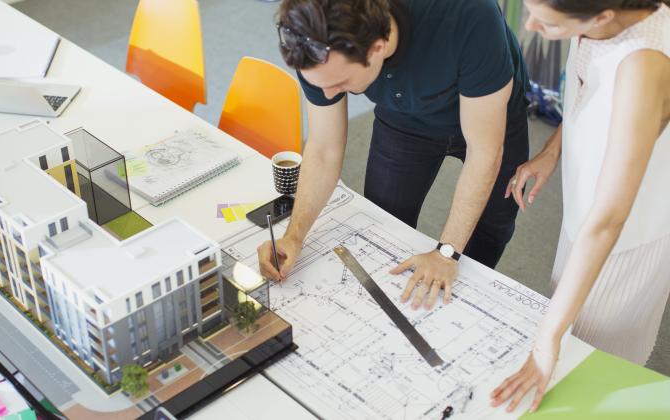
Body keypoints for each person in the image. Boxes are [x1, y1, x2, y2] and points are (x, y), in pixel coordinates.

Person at [258, 0, 530, 310]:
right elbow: (323, 147)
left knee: (488, 228)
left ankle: (459, 307)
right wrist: (294, 236)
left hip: (490, 113)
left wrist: (447, 253)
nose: (329, 95)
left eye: (341, 84)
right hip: (405, 114)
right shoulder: (315, 44)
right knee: (383, 220)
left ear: (377, 47)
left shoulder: (467, 14)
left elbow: (485, 152)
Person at [491, 0, 670, 413]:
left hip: (624, 240)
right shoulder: (596, 19)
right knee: (565, 334)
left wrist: (549, 335)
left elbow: (608, 222)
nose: (532, 26)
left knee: (593, 366)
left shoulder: (643, 66)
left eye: (547, 22)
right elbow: (591, 94)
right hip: (588, 211)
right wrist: (553, 152)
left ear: (603, 16)